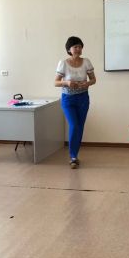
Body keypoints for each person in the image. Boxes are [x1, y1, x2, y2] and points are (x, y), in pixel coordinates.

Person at [54, 36, 96, 169]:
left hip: (83, 98)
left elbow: (93, 79)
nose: (78, 49)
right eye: (75, 47)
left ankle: (75, 155)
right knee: (74, 125)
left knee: (80, 127)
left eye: (80, 46)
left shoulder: (86, 62)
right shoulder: (63, 63)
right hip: (68, 99)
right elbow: (56, 82)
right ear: (69, 49)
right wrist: (67, 82)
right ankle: (72, 156)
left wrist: (87, 83)